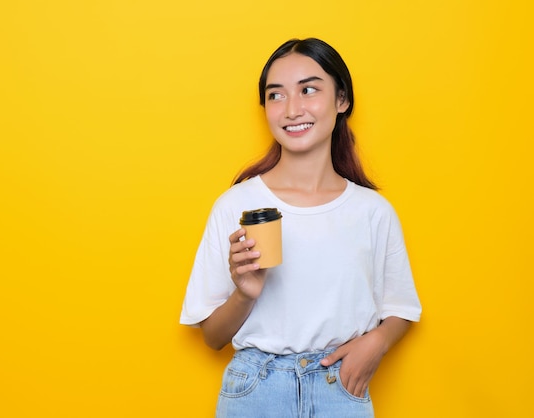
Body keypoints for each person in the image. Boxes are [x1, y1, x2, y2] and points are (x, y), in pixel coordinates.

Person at [180, 38, 421, 418]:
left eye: (308, 90)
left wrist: (376, 342)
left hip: (339, 387)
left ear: (341, 100)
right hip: (254, 392)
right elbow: (212, 338)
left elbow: (401, 308)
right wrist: (245, 294)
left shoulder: (372, 211)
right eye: (276, 96)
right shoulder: (237, 206)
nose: (292, 110)